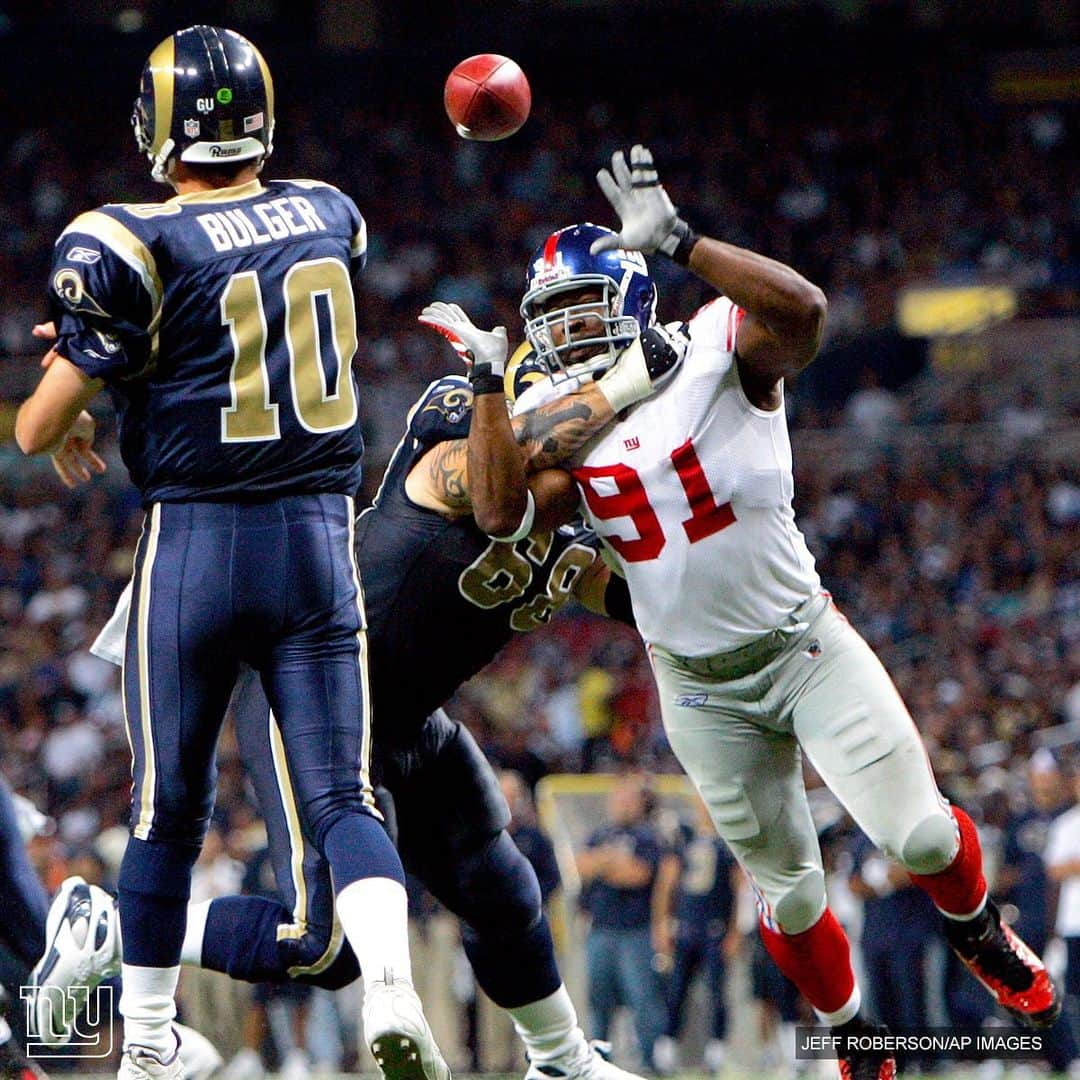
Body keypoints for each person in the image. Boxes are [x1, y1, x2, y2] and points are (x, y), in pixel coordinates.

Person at [455, 144, 1061, 1080]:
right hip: (698, 686)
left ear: (629, 300)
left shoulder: (709, 348)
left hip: (802, 643)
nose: (565, 337)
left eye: (581, 312)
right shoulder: (556, 414)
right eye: (551, 321)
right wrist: (495, 392)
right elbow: (496, 509)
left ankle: (979, 931)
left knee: (924, 837)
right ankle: (856, 1034)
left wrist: (684, 240)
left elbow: (806, 312)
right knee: (788, 894)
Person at [30, 320, 681, 1080]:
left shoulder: (579, 526)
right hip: (309, 698)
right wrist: (625, 382)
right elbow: (503, 487)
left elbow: (645, 598)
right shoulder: (468, 431)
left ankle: (563, 1060)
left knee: (503, 888)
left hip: (410, 720)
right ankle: (113, 927)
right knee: (326, 949)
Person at [15, 25, 446, 1080]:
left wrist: (79, 380)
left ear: (163, 127)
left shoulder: (127, 238)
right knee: (342, 798)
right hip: (316, 540)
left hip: (198, 545)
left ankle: (152, 1045)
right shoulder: (330, 213)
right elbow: (239, 315)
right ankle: (395, 993)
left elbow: (36, 427)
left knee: (168, 806)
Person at [576, 773, 667, 1071]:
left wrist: (604, 863)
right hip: (600, 929)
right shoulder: (599, 834)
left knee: (642, 999)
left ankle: (647, 1061)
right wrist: (612, 862)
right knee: (598, 998)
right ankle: (599, 1061)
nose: (621, 804)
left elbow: (638, 875)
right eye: (618, 797)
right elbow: (581, 867)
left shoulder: (648, 836)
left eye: (628, 798)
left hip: (635, 931)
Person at [651, 795, 739, 1076]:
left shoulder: (729, 841)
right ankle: (666, 1051)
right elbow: (667, 883)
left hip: (716, 928)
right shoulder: (684, 836)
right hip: (686, 928)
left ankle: (716, 1052)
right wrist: (661, 923)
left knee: (717, 991)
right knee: (675, 990)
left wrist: (735, 931)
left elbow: (739, 889)